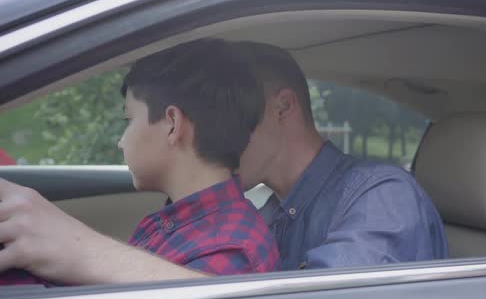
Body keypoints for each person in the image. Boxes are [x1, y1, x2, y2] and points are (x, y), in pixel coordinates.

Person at [0, 38, 446, 284]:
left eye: (236, 111)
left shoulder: (382, 195)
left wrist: (82, 251)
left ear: (283, 107)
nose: (218, 129)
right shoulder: (270, 213)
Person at [0, 39, 278, 285]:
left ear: (172, 124)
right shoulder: (184, 223)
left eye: (129, 120)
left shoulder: (231, 251)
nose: (121, 141)